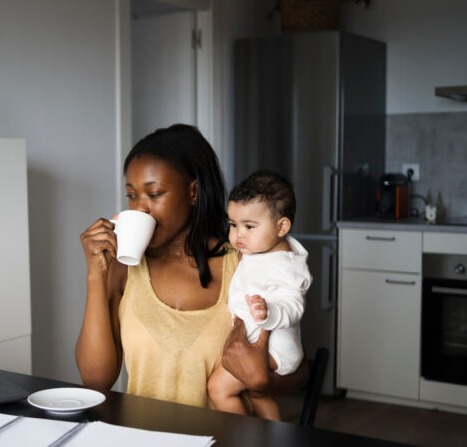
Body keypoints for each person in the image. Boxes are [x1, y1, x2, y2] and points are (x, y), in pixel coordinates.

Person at [76, 124, 308, 411]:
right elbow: (95, 381)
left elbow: (297, 368)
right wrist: (96, 275)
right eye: (132, 195)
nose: (140, 209)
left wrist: (262, 383)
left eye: (155, 193)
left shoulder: (243, 263)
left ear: (194, 192)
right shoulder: (124, 269)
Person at [207, 170, 312, 419]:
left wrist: (270, 312)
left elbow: (295, 304)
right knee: (259, 396)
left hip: (275, 349)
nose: (238, 234)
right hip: (263, 346)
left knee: (218, 389)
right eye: (233, 224)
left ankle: (244, 440)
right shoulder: (260, 251)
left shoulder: (284, 265)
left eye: (249, 226)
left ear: (281, 227)